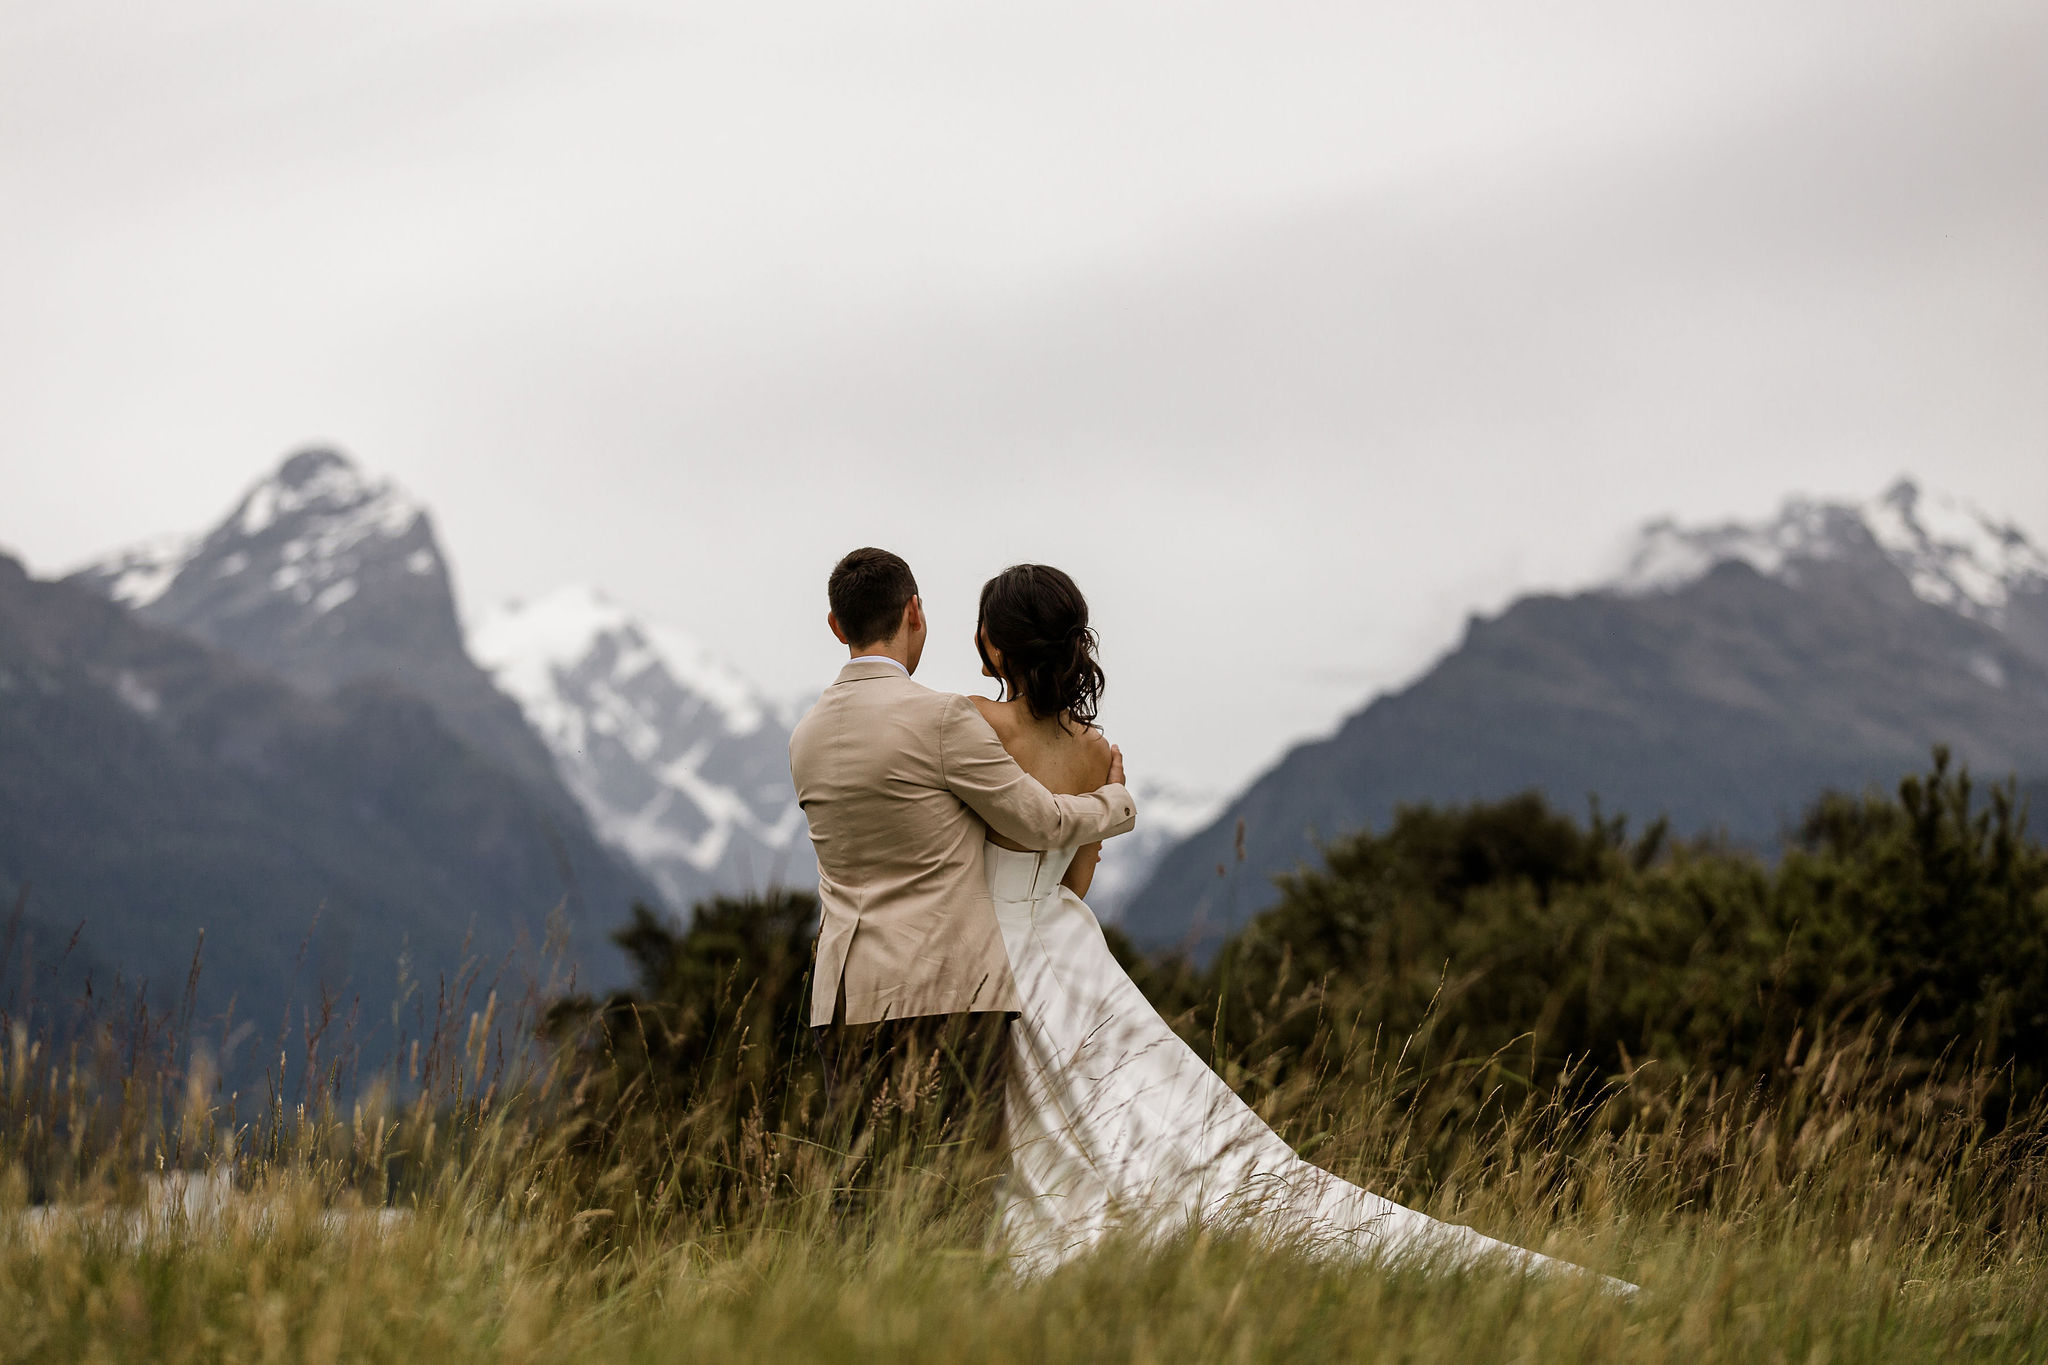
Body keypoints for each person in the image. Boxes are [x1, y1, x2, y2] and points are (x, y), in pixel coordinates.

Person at [969, 562, 1636, 1293]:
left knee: (1042, 1116)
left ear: (996, 645)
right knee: (1140, 1106)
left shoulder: (975, 724)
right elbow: (1074, 881)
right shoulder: (1096, 752)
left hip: (997, 948)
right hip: (1070, 947)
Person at [788, 548, 1139, 1192]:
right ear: (915, 611)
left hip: (843, 996)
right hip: (944, 990)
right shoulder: (945, 717)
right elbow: (1039, 823)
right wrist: (1113, 804)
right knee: (960, 1186)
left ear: (836, 627)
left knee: (860, 1189)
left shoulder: (805, 735)